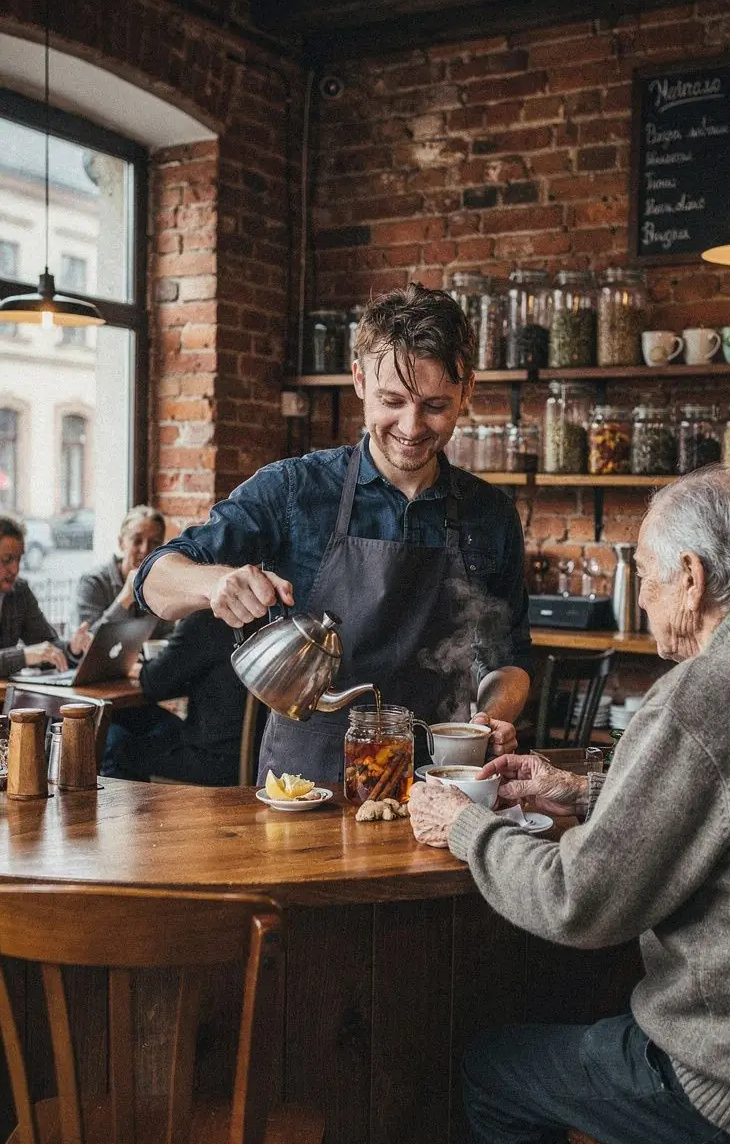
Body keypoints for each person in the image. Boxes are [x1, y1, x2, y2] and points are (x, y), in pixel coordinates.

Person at [408, 465, 730, 1144]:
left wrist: (466, 827)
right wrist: (580, 790)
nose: (644, 589)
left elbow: (577, 902)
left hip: (729, 1100)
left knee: (494, 1071)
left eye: (644, 569)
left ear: (693, 578)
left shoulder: (706, 693)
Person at [135, 283, 533, 784]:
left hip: (439, 791)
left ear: (467, 391)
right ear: (360, 380)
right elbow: (153, 580)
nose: (411, 427)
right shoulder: (294, 490)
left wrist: (493, 715)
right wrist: (215, 584)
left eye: (435, 406)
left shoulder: (489, 513)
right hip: (305, 788)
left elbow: (511, 659)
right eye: (393, 400)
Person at [101, 608, 246, 785]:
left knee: (111, 741)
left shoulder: (204, 618)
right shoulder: (260, 616)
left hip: (213, 762)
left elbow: (153, 683)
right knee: (160, 723)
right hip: (253, 756)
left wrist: (139, 669)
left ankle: (129, 812)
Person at [0, 513, 91, 677]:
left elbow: (45, 645)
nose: (15, 569)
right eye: (7, 560)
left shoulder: (19, 591)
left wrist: (72, 647)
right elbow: (31, 654)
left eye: (19, 559)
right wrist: (24, 656)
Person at [75, 504, 173, 636]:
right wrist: (126, 597)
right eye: (137, 541)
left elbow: (168, 635)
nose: (145, 549)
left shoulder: (162, 583)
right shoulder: (93, 582)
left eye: (154, 542)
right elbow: (88, 642)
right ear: (121, 543)